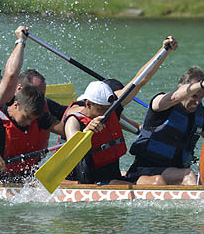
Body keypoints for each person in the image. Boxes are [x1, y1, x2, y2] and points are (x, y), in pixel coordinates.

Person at [62, 36, 177, 185]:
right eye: (101, 110)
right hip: (91, 182)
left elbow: (140, 80)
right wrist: (86, 132)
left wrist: (164, 51)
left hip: (113, 176)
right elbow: (73, 149)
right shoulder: (73, 120)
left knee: (158, 181)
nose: (106, 114)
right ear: (88, 103)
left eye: (107, 109)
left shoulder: (111, 106)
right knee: (154, 185)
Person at [125, 67, 204, 185]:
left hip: (175, 171)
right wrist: (201, 84)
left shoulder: (199, 112)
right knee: (188, 176)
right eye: (194, 96)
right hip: (144, 171)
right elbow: (175, 96)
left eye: (201, 97)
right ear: (181, 88)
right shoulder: (161, 103)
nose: (198, 102)